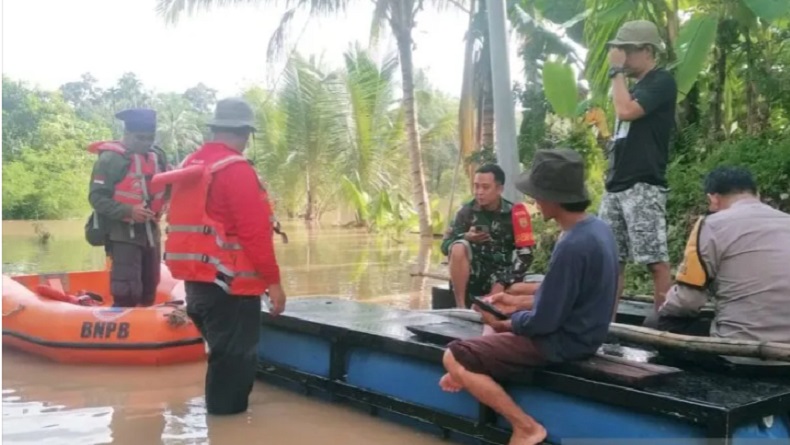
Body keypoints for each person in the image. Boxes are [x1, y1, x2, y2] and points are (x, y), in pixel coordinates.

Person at [439, 149, 619, 445]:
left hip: (564, 342)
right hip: (586, 334)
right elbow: (563, 295)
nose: (535, 201)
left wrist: (505, 324)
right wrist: (511, 305)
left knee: (453, 355)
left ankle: (525, 426)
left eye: (538, 195)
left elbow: (543, 322)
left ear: (553, 199)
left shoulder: (572, 244)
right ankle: (473, 367)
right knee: (480, 344)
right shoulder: (597, 229)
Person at [162, 97, 287, 415]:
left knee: (221, 359)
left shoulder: (192, 164)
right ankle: (226, 427)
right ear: (246, 133)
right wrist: (273, 283)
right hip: (231, 288)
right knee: (233, 366)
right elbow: (255, 234)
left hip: (197, 285)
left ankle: (219, 420)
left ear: (215, 129)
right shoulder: (236, 170)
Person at [648, 166, 790, 344]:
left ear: (713, 199)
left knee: (656, 321)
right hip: (786, 355)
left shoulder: (711, 224)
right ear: (757, 194)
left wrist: (666, 304)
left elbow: (687, 302)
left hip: (739, 351)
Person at [597, 20, 678, 313]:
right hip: (616, 184)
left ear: (647, 51)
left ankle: (664, 326)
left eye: (627, 51)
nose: (621, 57)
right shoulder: (634, 87)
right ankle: (605, 323)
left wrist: (616, 72)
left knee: (654, 260)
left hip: (643, 183)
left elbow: (626, 112)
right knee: (611, 260)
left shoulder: (661, 81)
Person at [87, 108, 168, 307]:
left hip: (151, 231)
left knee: (151, 283)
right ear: (127, 134)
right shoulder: (110, 159)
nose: (146, 143)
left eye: (150, 138)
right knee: (127, 288)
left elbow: (169, 184)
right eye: (140, 138)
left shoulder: (158, 156)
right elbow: (97, 197)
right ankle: (124, 322)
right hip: (122, 234)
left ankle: (147, 324)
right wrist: (129, 211)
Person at [440, 164, 516, 308]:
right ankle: (461, 307)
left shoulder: (514, 213)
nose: (479, 192)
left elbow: (526, 254)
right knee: (458, 247)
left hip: (503, 275)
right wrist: (466, 237)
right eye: (476, 186)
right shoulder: (465, 212)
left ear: (499, 189)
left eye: (485, 187)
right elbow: (444, 247)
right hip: (473, 274)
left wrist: (502, 281)